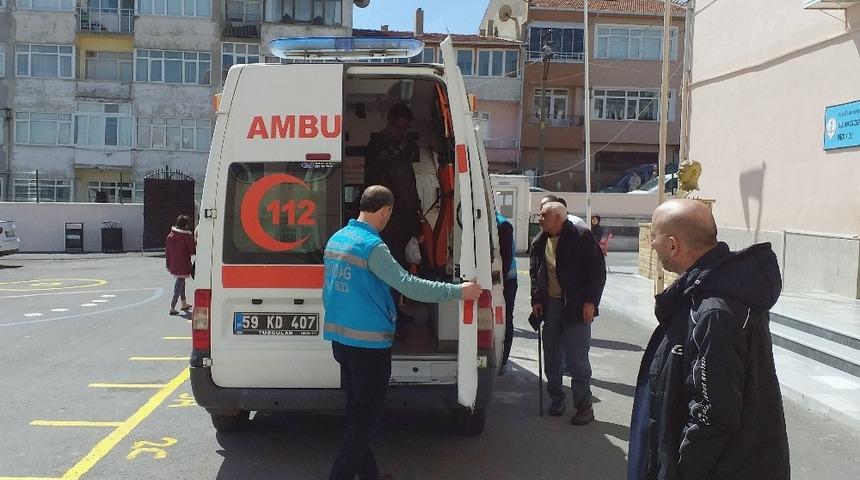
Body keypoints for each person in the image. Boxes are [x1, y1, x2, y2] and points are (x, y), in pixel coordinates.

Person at [323, 185, 482, 480]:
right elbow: (409, 285)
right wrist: (457, 291)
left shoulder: (338, 238)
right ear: (385, 211)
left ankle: (369, 475)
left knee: (356, 415)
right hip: (368, 347)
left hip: (341, 343)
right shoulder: (373, 247)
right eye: (389, 215)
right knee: (365, 421)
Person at [627, 199, 790, 480]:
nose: (651, 244)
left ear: (673, 244)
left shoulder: (714, 311)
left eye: (654, 236)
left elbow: (714, 416)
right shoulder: (703, 293)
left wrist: (680, 471)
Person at [529, 201, 606, 425]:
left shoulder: (581, 236)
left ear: (559, 219)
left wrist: (591, 301)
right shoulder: (540, 240)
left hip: (576, 305)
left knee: (577, 358)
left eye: (544, 215)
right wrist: (536, 299)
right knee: (551, 353)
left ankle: (584, 406)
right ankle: (557, 399)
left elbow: (597, 272)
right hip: (551, 305)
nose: (539, 219)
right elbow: (535, 273)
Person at [363, 103, 422, 270]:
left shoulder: (373, 146)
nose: (402, 133)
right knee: (394, 275)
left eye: (405, 129)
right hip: (395, 226)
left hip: (376, 223)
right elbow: (405, 193)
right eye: (399, 127)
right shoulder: (394, 152)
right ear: (389, 121)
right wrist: (416, 229)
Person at [496, 210, 517, 376]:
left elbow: (506, 258)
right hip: (499, 279)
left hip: (507, 281)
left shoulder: (503, 225)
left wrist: (500, 284)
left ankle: (503, 359)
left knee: (505, 317)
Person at [165, 214, 195, 315]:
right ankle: (172, 307)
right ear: (185, 225)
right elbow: (193, 250)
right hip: (184, 263)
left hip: (174, 263)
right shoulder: (186, 236)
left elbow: (167, 251)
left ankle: (184, 303)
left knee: (181, 283)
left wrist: (168, 265)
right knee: (179, 284)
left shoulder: (170, 236)